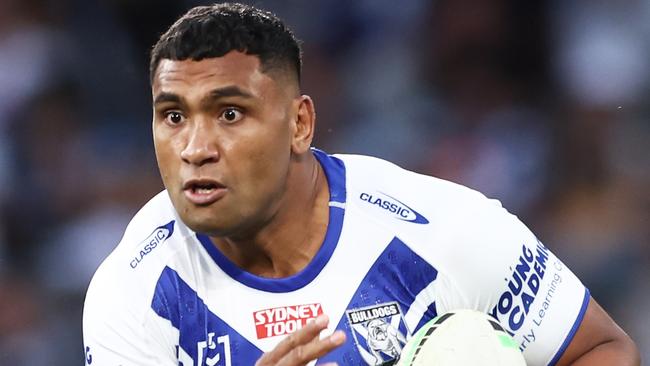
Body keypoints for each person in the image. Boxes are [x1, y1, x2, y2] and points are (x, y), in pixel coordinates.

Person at [82, 3, 640, 366]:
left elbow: (601, 349)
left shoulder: (438, 229)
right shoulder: (136, 291)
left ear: (299, 123)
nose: (195, 148)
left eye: (229, 113)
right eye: (173, 115)